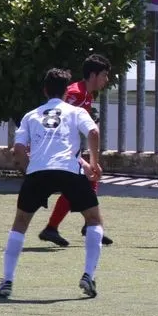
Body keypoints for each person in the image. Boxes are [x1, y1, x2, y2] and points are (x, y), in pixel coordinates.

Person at [0, 68, 106, 299]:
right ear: (66, 92)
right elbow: (93, 132)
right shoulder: (76, 111)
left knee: (20, 223)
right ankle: (88, 275)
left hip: (38, 172)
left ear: (45, 90)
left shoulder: (30, 116)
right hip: (68, 171)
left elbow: (18, 149)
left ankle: (7, 281)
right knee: (93, 219)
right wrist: (94, 164)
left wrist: (29, 170)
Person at [38, 54, 114, 247]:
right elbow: (56, 120)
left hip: (66, 151)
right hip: (57, 151)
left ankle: (75, 226)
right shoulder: (75, 93)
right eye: (104, 75)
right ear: (93, 75)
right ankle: (84, 225)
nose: (106, 80)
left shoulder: (86, 94)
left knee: (87, 180)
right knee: (81, 181)